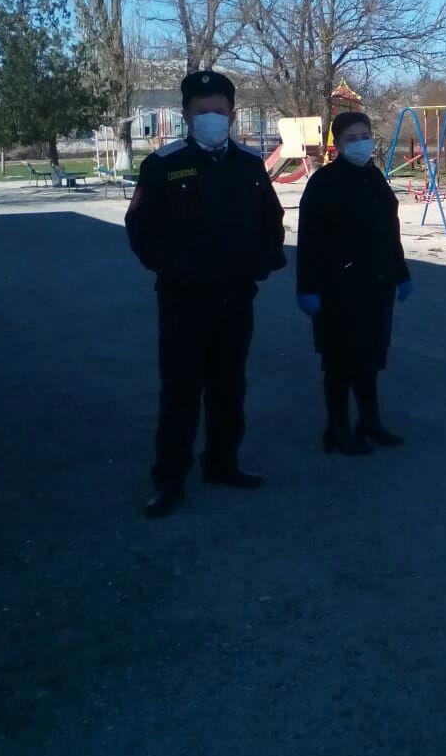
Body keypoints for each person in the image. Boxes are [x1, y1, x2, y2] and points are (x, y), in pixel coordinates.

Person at [125, 70, 287, 517]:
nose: (212, 118)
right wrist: (170, 265)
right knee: (180, 392)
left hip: (235, 297)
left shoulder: (249, 164)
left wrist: (264, 262)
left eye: (219, 110)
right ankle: (169, 479)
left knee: (229, 386)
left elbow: (271, 220)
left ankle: (222, 462)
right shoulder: (163, 165)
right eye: (202, 112)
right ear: (186, 116)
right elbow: (139, 227)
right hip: (183, 301)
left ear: (232, 115)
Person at [296, 111, 412, 455]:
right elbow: (309, 240)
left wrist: (401, 273)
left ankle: (369, 421)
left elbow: (389, 232)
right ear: (338, 144)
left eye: (365, 136)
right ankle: (337, 428)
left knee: (370, 358)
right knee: (340, 362)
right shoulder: (324, 182)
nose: (361, 144)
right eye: (351, 138)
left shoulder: (374, 176)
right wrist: (307, 288)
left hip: (376, 286)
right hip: (339, 290)